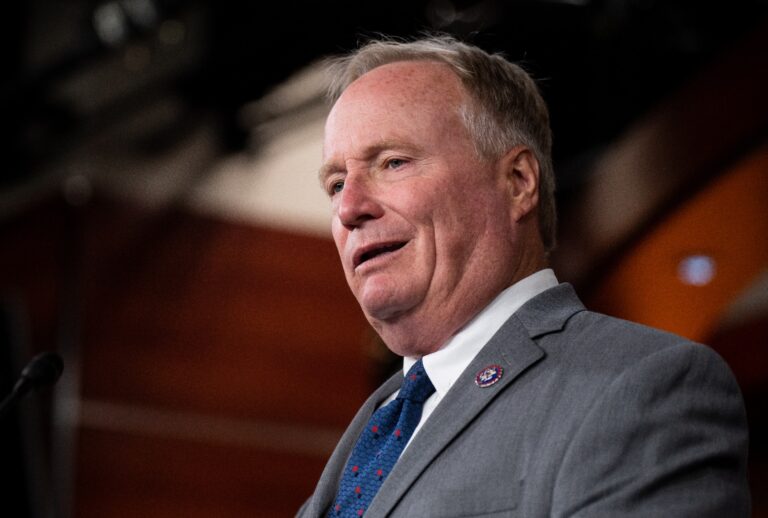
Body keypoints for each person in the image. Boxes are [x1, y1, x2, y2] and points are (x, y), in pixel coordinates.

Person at [298, 34, 750, 517]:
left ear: (518, 182)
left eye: (393, 163)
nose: (349, 208)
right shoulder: (380, 423)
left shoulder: (644, 385)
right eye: (337, 183)